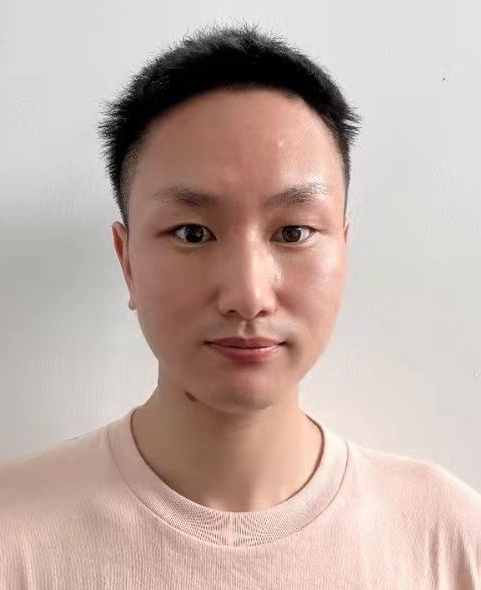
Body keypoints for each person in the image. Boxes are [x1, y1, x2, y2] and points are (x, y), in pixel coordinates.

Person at [1, 22, 480, 589]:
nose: (248, 296)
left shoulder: (448, 538)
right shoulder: (14, 534)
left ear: (343, 251)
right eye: (193, 233)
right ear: (127, 260)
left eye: (294, 233)